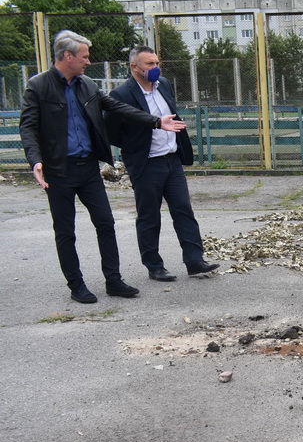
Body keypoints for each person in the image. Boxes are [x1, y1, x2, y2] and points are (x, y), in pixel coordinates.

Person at [20, 30, 187, 303]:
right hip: (57, 171)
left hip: (88, 168)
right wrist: (35, 160)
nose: (88, 61)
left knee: (106, 223)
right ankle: (77, 285)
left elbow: (118, 107)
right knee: (65, 230)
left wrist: (156, 121)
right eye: (84, 57)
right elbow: (28, 127)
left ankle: (113, 280)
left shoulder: (87, 84)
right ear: (68, 56)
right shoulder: (38, 86)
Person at [106, 46, 219, 281]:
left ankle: (194, 260)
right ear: (134, 67)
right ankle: (154, 266)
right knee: (149, 216)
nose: (155, 68)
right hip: (146, 164)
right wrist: (136, 145)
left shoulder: (164, 84)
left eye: (157, 63)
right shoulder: (122, 94)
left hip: (172, 159)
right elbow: (112, 132)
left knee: (183, 210)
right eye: (149, 64)